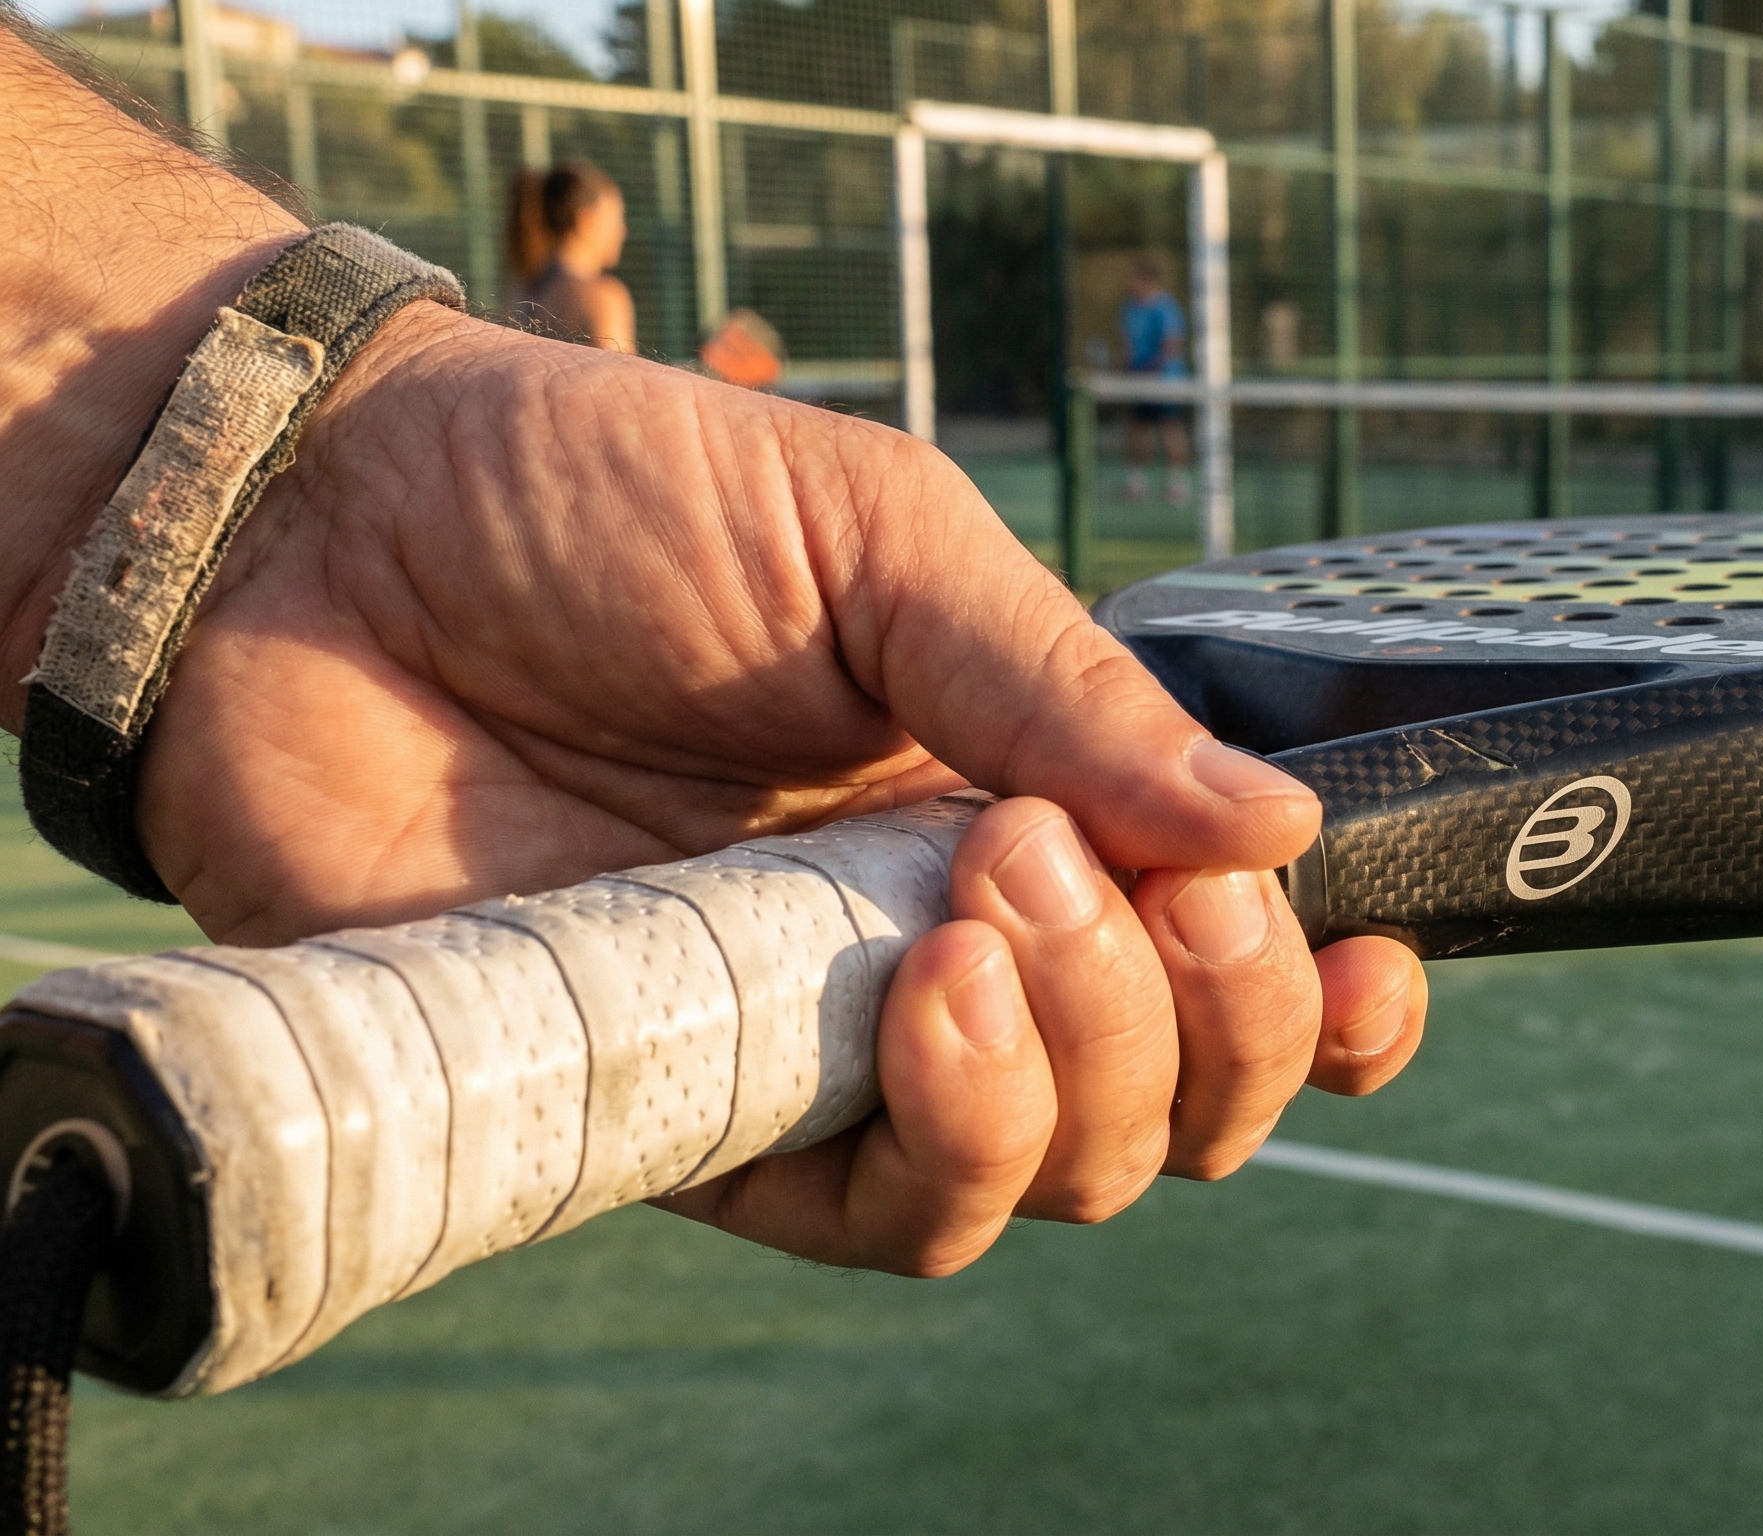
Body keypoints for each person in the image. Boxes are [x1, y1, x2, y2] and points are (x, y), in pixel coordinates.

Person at [0, 24, 1424, 1277]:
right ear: (589, 215)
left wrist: (258, 481)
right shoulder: (600, 298)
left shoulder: (527, 277)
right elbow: (597, 375)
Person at [507, 160, 635, 352]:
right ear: (586, 221)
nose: (622, 231)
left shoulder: (520, 294)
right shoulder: (603, 299)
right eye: (616, 219)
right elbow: (624, 378)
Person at [1119, 259, 1193, 505]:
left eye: (1137, 280)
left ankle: (1177, 483)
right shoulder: (1130, 308)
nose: (1132, 285)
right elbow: (1129, 345)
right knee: (1138, 428)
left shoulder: (1165, 307)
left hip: (1165, 382)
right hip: (1139, 382)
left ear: (1149, 282)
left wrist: (1151, 370)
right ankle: (1136, 482)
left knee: (1169, 427)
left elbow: (1172, 345)